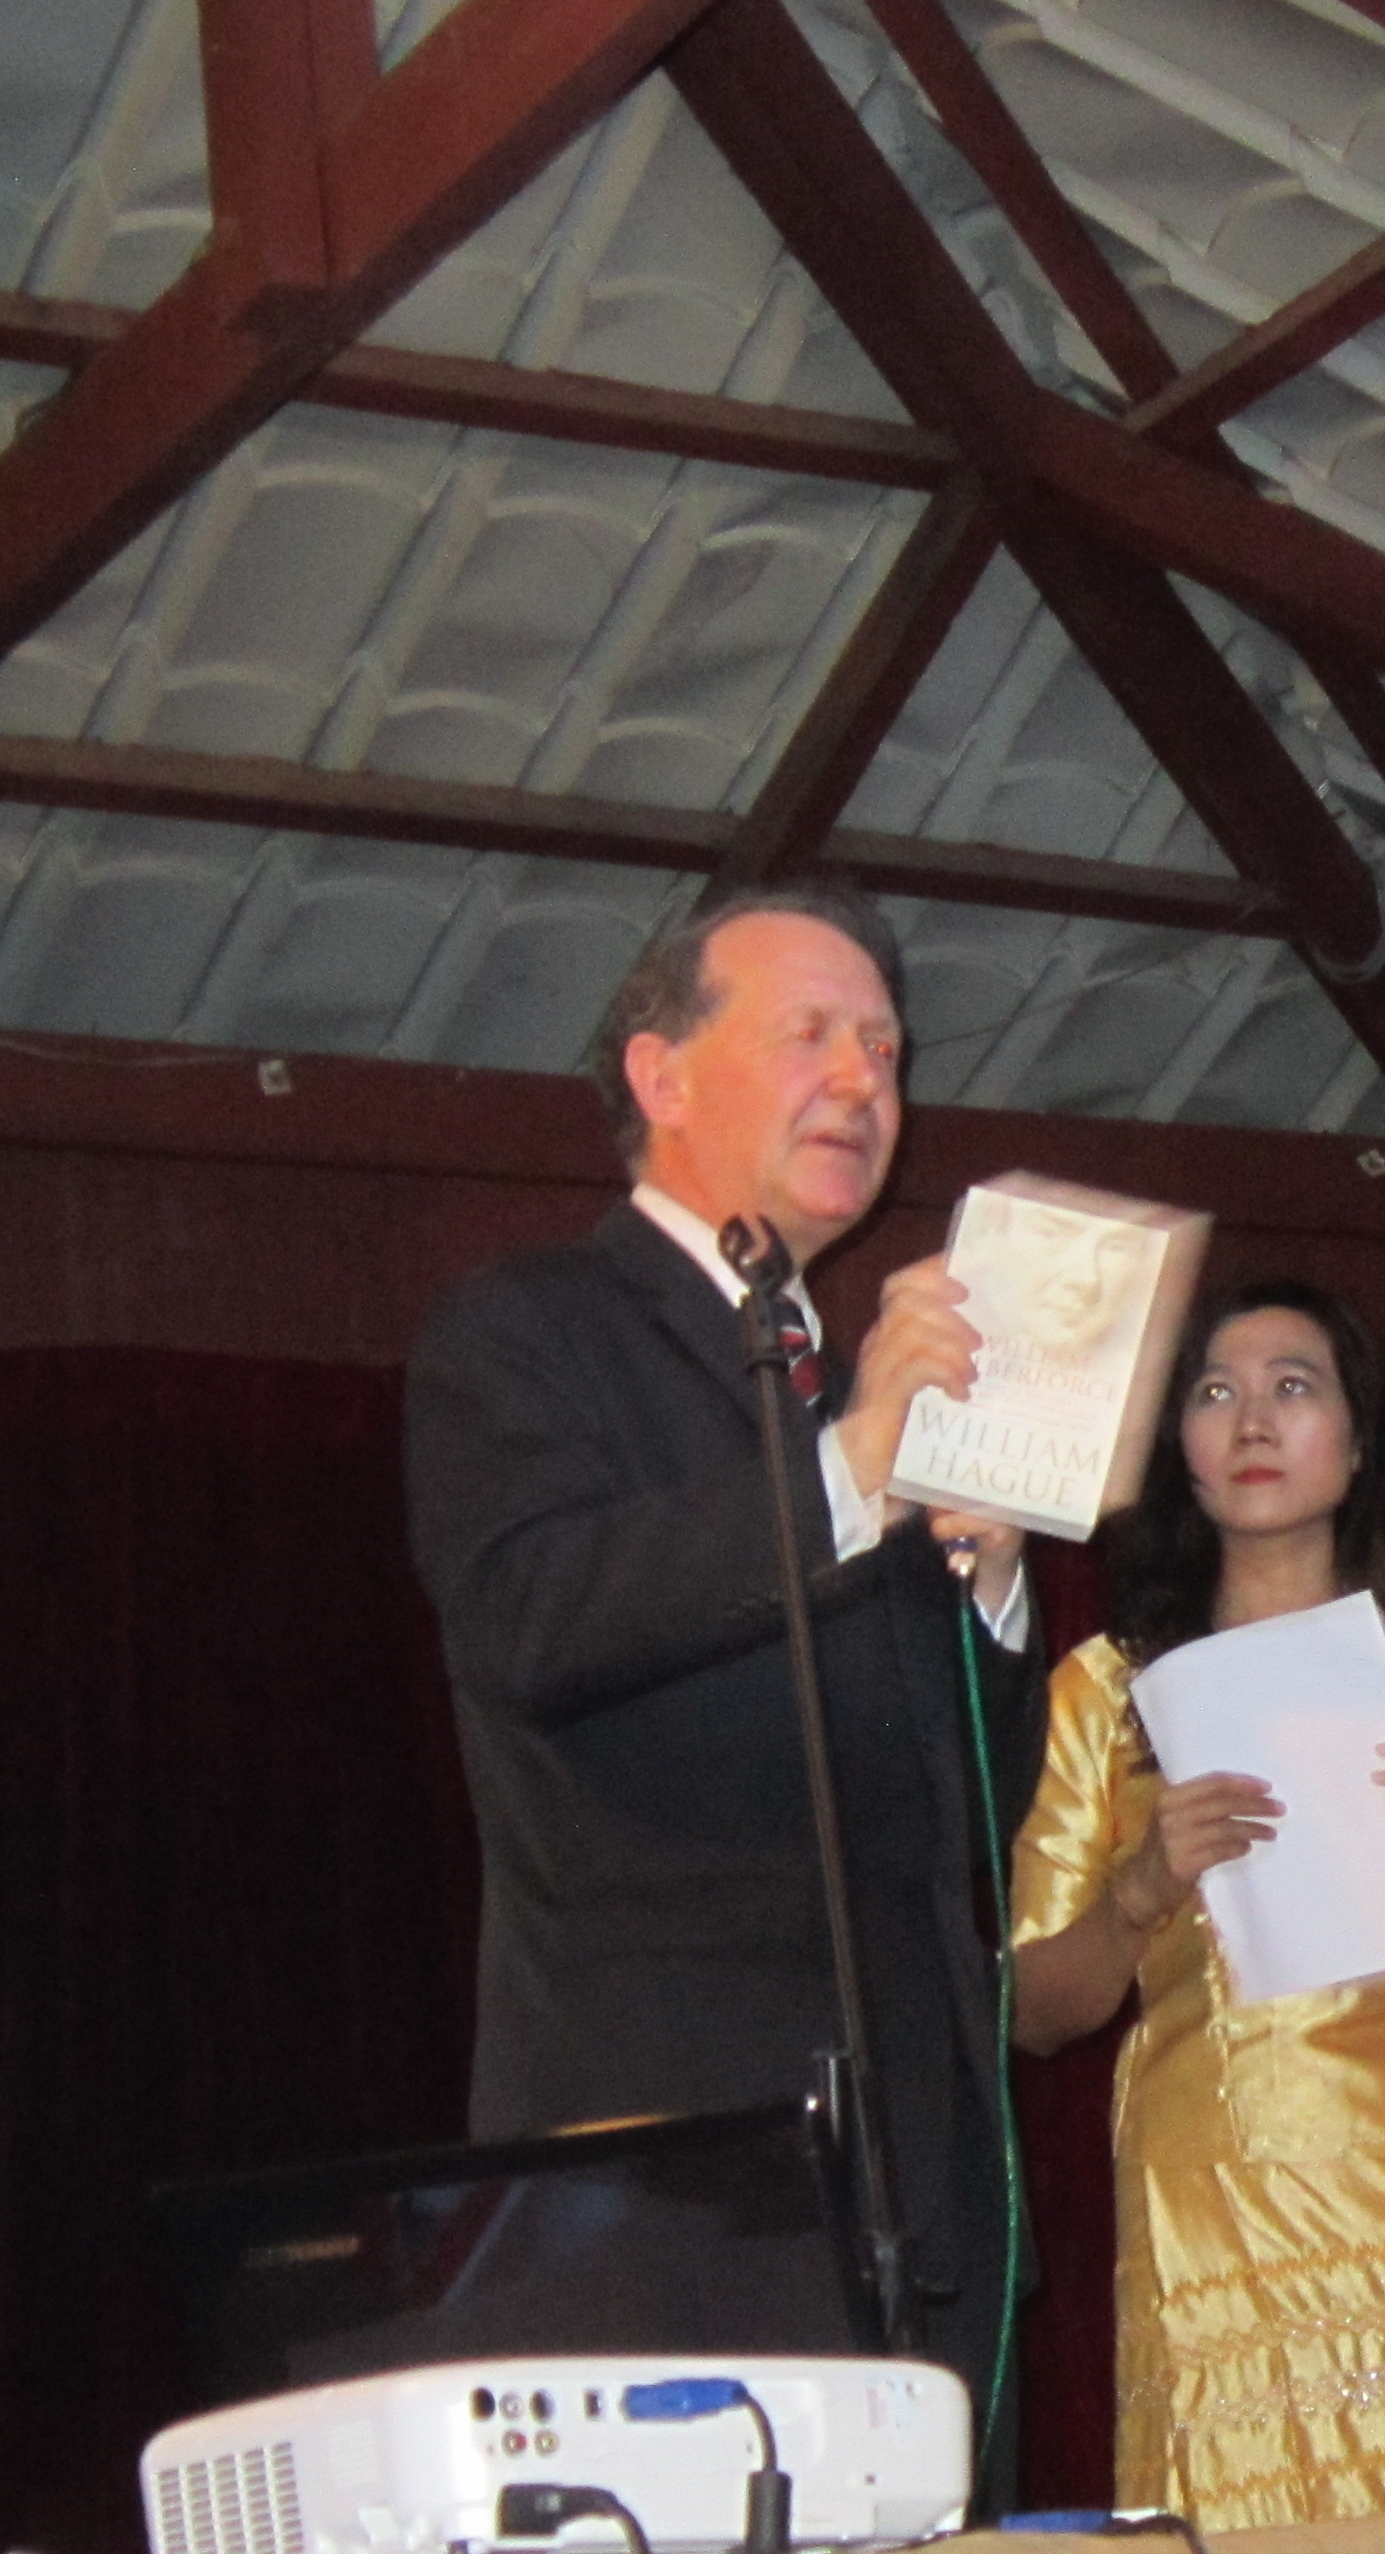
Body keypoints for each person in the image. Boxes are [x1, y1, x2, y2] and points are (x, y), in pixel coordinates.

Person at [403, 890, 1043, 2422]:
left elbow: (971, 1806)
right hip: (666, 2166)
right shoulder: (529, 1332)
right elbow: (538, 1621)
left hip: (922, 2179)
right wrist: (848, 1473)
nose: (862, 1083)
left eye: (886, 1049)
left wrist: (992, 1597)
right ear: (662, 1075)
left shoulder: (862, 1391)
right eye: (810, 1035)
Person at [1004, 1279, 1385, 2554]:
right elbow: (1036, 2006)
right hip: (1218, 2186)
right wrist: (1143, 1889)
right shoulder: (1107, 1691)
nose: (1250, 1419)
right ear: (1181, 1450)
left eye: (1293, 1385)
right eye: (1215, 1391)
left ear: (1361, 1442)